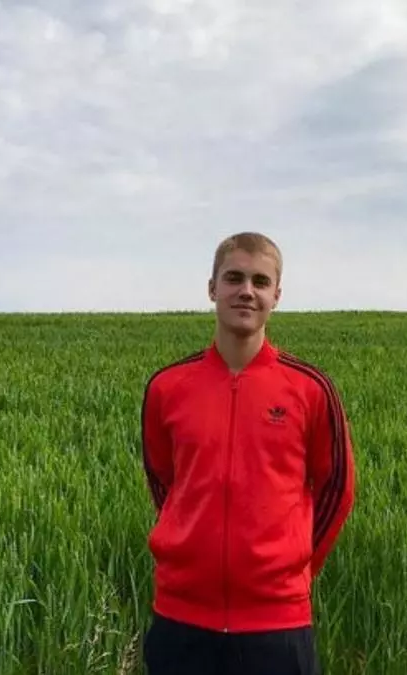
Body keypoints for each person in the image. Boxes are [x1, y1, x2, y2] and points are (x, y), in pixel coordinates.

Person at [140, 232, 356, 675]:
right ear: (212, 288)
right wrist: (191, 540)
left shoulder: (310, 389)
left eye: (260, 281)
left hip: (277, 625)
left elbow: (337, 490)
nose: (246, 291)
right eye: (234, 278)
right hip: (181, 619)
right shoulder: (167, 387)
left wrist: (289, 567)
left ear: (276, 295)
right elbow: (165, 482)